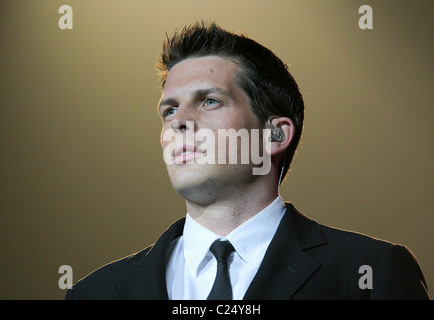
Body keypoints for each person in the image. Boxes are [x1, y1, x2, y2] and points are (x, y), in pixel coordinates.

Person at [65, 22, 429, 300]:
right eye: (170, 109)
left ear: (274, 135)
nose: (178, 121)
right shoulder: (94, 293)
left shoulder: (369, 274)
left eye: (209, 100)